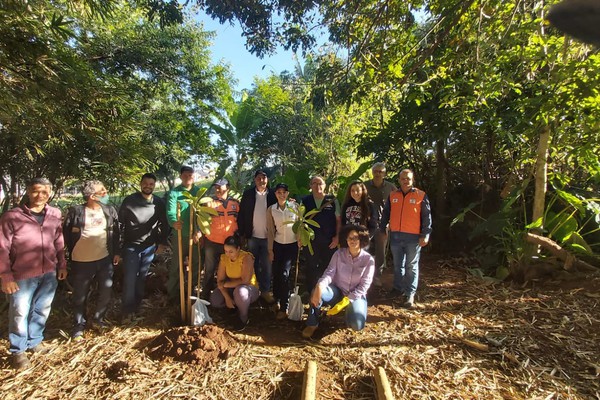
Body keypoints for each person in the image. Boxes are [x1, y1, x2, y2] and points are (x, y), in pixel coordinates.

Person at [0, 178, 67, 369]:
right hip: (22, 275)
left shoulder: (54, 214)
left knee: (42, 308)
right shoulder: (12, 217)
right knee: (20, 312)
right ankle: (18, 351)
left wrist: (62, 264)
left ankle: (35, 341)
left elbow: (59, 241)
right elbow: (2, 248)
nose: (40, 196)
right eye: (35, 191)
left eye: (44, 192)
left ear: (50, 192)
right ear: (28, 192)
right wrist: (6, 276)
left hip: (48, 272)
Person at [63, 180, 121, 340]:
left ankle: (98, 319)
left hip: (104, 259)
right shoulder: (76, 212)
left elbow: (115, 233)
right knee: (80, 294)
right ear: (92, 196)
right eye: (102, 191)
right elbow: (66, 235)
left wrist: (116, 252)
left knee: (106, 291)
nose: (105, 193)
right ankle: (79, 325)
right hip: (81, 261)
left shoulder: (109, 210)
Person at [302, 225, 374, 339]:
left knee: (357, 325)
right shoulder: (339, 254)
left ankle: (349, 312)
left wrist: (347, 300)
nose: (352, 241)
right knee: (316, 291)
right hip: (337, 291)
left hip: (356, 296)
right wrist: (320, 286)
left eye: (356, 238)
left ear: (362, 239)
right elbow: (329, 273)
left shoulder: (368, 260)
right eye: (350, 238)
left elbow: (364, 286)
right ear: (346, 239)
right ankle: (312, 324)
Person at [119, 173, 169, 322]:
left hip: (149, 247)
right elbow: (119, 224)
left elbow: (164, 224)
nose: (148, 186)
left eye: (151, 184)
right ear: (141, 184)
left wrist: (162, 243)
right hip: (131, 246)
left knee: (141, 277)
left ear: (155, 186)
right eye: (145, 183)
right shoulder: (130, 200)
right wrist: (118, 247)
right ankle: (127, 311)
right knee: (129, 278)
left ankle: (137, 305)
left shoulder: (158, 202)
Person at [379, 169, 432, 308]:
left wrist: (425, 234)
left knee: (411, 266)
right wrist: (382, 227)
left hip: (413, 237)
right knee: (398, 265)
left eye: (408, 178)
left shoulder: (421, 195)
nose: (405, 181)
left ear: (412, 179)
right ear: (399, 179)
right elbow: (386, 214)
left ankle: (410, 294)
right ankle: (397, 288)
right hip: (396, 235)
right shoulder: (393, 195)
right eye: (403, 178)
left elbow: (427, 217)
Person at [237, 169, 277, 303]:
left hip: (268, 237)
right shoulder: (248, 194)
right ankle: (252, 290)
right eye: (259, 178)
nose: (261, 180)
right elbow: (242, 214)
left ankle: (265, 291)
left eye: (264, 178)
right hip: (252, 236)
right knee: (251, 264)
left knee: (267, 265)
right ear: (255, 180)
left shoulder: (273, 194)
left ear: (267, 180)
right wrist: (242, 233)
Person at [300, 176, 341, 293]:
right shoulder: (305, 200)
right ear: (310, 186)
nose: (318, 186)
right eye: (315, 183)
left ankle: (326, 293)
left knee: (328, 267)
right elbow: (300, 220)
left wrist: (337, 237)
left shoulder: (332, 200)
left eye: (321, 183)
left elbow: (338, 220)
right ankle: (311, 292)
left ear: (325, 185)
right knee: (311, 267)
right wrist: (300, 237)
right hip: (310, 241)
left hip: (329, 241)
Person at [166, 166, 200, 304]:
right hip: (180, 235)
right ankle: (173, 294)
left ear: (194, 176)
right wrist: (174, 222)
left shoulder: (198, 192)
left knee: (196, 265)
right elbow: (170, 212)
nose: (188, 178)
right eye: (185, 175)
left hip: (195, 236)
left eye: (190, 175)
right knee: (176, 266)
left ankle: (193, 292)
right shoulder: (174, 193)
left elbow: (203, 213)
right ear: (180, 177)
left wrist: (199, 231)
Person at [210, 235, 259, 331]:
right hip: (230, 288)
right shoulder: (224, 258)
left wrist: (225, 284)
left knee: (240, 292)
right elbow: (220, 280)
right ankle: (233, 307)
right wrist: (227, 298)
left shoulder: (246, 257)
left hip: (248, 288)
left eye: (231, 251)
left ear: (238, 249)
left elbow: (245, 281)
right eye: (226, 251)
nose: (228, 254)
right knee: (215, 299)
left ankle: (243, 317)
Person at [202, 178, 240, 299]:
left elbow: (241, 220)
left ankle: (230, 297)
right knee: (209, 269)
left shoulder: (235, 203)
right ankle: (205, 296)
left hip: (230, 243)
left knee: (230, 270)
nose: (217, 189)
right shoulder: (209, 203)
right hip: (212, 242)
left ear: (227, 188)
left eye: (220, 187)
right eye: (216, 187)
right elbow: (202, 219)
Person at [266, 183, 299, 319]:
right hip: (278, 245)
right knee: (277, 273)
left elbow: (300, 224)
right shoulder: (271, 210)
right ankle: (277, 301)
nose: (282, 194)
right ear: (275, 194)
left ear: (287, 193)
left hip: (291, 245)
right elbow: (270, 231)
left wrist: (300, 239)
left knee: (284, 274)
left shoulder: (295, 207)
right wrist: (270, 249)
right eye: (279, 192)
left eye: (284, 192)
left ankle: (284, 307)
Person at [364, 162, 397, 287]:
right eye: (376, 171)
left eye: (380, 171)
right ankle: (363, 275)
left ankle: (377, 275)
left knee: (380, 251)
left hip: (383, 223)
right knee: (363, 248)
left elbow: (397, 204)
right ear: (372, 172)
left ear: (384, 174)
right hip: (367, 224)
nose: (378, 173)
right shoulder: (365, 186)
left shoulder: (391, 187)